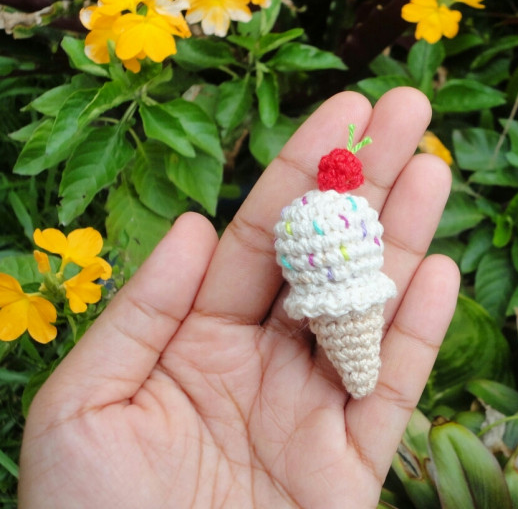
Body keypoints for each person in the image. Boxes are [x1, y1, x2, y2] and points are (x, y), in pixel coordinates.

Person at [18, 87, 460, 508]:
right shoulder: (324, 225)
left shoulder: (324, 225)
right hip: (334, 285)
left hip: (343, 283)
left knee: (365, 371)